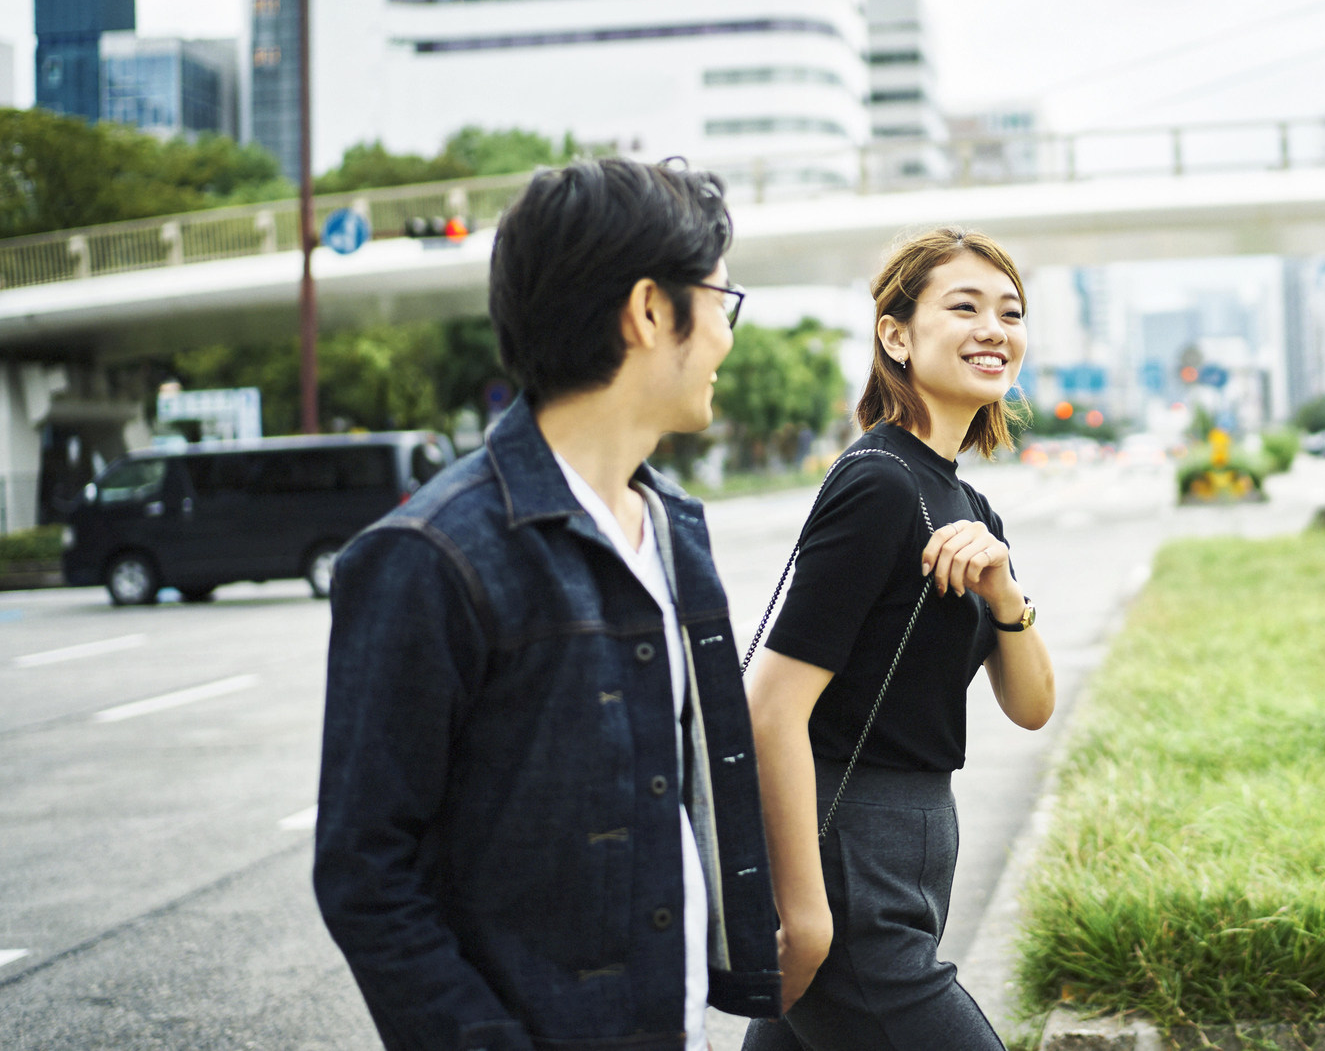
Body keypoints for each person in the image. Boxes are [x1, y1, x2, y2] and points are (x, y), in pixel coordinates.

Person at [315, 158, 781, 1051]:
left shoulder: (677, 528)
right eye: (723, 299)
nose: (727, 333)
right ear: (650, 310)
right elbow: (366, 876)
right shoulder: (430, 556)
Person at [743, 227, 1058, 1051]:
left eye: (1011, 311)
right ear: (896, 334)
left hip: (910, 853)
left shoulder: (971, 508)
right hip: (850, 866)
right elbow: (771, 705)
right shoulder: (879, 482)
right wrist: (808, 917)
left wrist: (1003, 588)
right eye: (965, 306)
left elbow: (1030, 706)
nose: (994, 327)